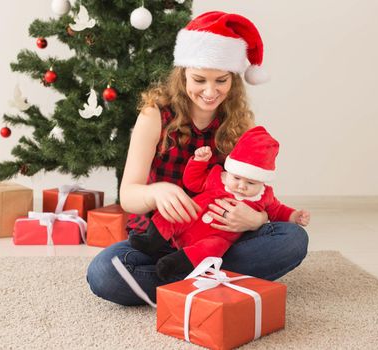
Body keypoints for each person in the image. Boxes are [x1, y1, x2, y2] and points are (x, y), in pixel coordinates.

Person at [86, 11, 309, 306]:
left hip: (216, 241)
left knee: (293, 239)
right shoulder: (154, 115)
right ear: (182, 75)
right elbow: (128, 196)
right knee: (104, 271)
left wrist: (257, 219)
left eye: (221, 81)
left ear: (233, 80)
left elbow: (256, 193)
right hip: (161, 241)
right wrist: (156, 192)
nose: (210, 91)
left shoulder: (239, 124)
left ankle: (181, 284)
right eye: (199, 79)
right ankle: (209, 283)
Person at [129, 126, 311, 281]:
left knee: (213, 248)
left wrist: (293, 216)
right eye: (237, 178)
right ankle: (151, 242)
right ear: (229, 169)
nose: (242, 186)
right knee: (171, 215)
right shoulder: (217, 176)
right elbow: (192, 182)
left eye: (251, 183)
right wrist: (199, 162)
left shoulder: (264, 196)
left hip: (219, 238)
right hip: (191, 217)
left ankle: (178, 266)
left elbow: (277, 210)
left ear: (262, 182)